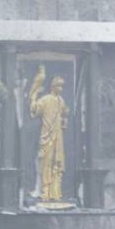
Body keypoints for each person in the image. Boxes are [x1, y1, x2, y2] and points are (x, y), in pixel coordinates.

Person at [29, 65, 70, 202]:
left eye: (61, 86)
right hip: (47, 135)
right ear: (52, 86)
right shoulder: (45, 100)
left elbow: (65, 112)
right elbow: (35, 111)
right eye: (58, 86)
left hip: (58, 137)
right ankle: (45, 191)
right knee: (46, 163)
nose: (61, 89)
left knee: (57, 164)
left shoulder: (60, 100)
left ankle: (55, 192)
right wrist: (33, 97)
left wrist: (64, 118)